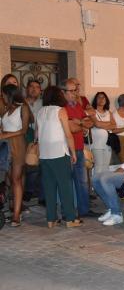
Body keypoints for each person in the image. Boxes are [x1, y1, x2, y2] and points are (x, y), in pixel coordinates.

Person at [36, 86, 81, 228]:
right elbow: (68, 134)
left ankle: (51, 219)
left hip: (44, 154)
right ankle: (70, 219)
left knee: (49, 187)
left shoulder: (40, 111)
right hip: (59, 153)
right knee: (65, 187)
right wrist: (73, 153)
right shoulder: (61, 110)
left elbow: (37, 135)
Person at [63, 79, 96, 217]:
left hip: (79, 147)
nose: (75, 93)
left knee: (82, 181)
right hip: (66, 149)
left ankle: (84, 210)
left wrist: (81, 123)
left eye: (76, 90)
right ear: (63, 93)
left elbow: (90, 122)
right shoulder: (62, 108)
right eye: (71, 91)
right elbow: (70, 127)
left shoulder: (77, 106)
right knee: (68, 182)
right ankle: (69, 211)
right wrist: (81, 125)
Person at [1, 84, 31, 226]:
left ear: (10, 94)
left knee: (16, 179)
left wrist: (6, 135)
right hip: (5, 145)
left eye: (4, 95)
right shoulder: (5, 110)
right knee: (7, 180)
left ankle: (16, 216)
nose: (3, 98)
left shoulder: (23, 108)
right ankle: (12, 208)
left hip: (18, 145)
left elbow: (24, 130)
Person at [89, 92, 116, 175]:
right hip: (97, 144)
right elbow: (97, 124)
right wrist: (108, 124)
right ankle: (96, 187)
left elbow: (114, 125)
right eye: (99, 97)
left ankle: (103, 185)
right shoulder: (92, 112)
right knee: (98, 167)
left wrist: (101, 124)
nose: (101, 99)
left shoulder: (109, 113)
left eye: (103, 97)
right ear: (95, 100)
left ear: (106, 100)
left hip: (107, 144)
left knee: (105, 167)